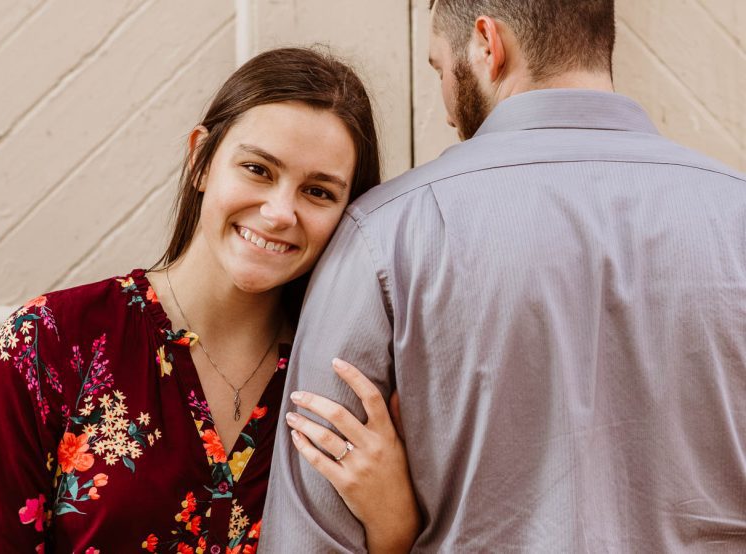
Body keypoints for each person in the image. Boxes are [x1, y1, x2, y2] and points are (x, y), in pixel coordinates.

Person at [261, 1, 746, 552]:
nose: (446, 108)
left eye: (441, 69)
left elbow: (311, 532)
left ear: (487, 45)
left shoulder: (386, 233)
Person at [0, 47, 419, 553]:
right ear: (201, 159)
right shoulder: (47, 344)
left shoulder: (354, 383)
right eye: (257, 169)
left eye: (318, 192)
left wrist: (394, 521)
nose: (278, 213)